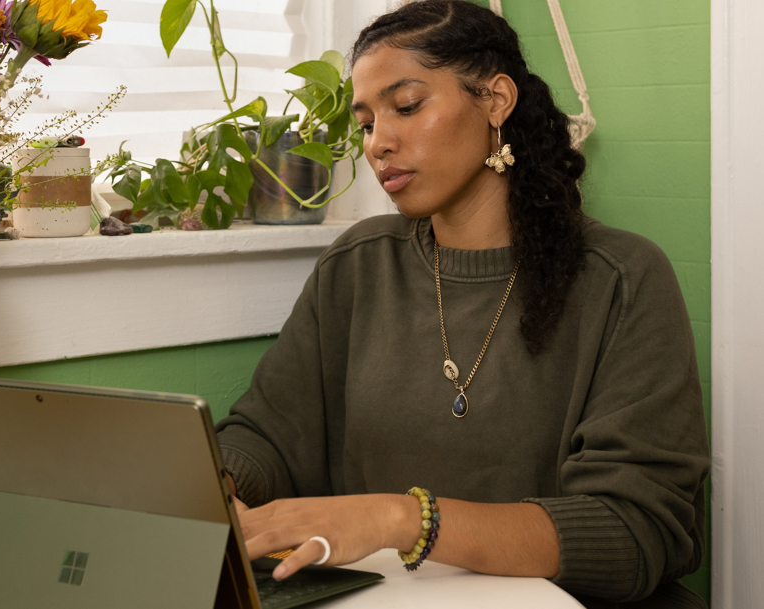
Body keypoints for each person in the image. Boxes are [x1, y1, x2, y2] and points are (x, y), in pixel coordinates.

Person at [214, 1, 710, 607]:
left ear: (495, 100)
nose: (379, 143)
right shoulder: (358, 264)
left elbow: (637, 529)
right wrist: (216, 484)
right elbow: (269, 433)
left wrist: (403, 520)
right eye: (366, 124)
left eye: (407, 106)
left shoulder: (621, 278)